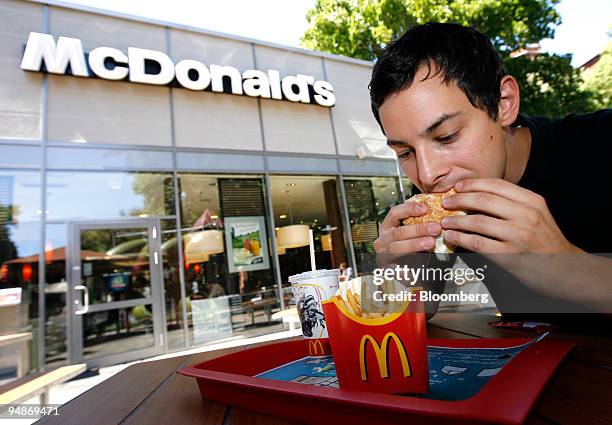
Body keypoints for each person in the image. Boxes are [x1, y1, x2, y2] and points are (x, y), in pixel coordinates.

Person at [370, 22, 612, 318]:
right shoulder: (437, 192)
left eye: (446, 136)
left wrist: (567, 268)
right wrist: (402, 285)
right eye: (405, 152)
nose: (428, 174)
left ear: (503, 104)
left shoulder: (601, 142)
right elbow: (420, 310)